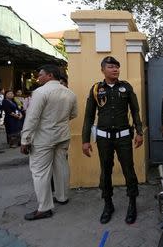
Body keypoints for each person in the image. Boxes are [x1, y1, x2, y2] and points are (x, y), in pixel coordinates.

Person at [82, 56, 144, 225]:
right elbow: (88, 117)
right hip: (104, 139)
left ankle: (132, 204)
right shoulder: (96, 89)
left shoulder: (126, 87)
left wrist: (139, 132)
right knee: (105, 172)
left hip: (124, 136)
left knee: (129, 171)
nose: (115, 69)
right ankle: (108, 205)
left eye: (117, 66)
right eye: (111, 67)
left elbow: (136, 111)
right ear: (103, 69)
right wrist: (85, 140)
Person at [21, 64, 78, 221]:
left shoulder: (40, 92)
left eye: (41, 74)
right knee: (61, 166)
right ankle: (62, 197)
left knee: (40, 172)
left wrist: (25, 139)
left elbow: (32, 117)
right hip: (62, 135)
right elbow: (73, 114)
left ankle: (45, 208)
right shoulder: (70, 93)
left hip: (43, 138)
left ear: (50, 75)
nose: (38, 77)